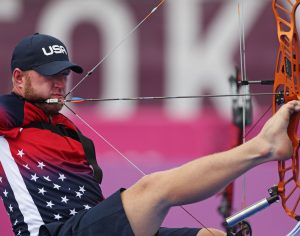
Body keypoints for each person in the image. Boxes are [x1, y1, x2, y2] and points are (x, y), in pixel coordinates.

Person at [0, 33, 297, 236]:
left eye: (63, 76)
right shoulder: (9, 113)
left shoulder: (73, 135)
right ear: (18, 78)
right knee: (152, 189)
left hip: (93, 227)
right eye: (49, 75)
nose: (59, 84)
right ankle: (264, 147)